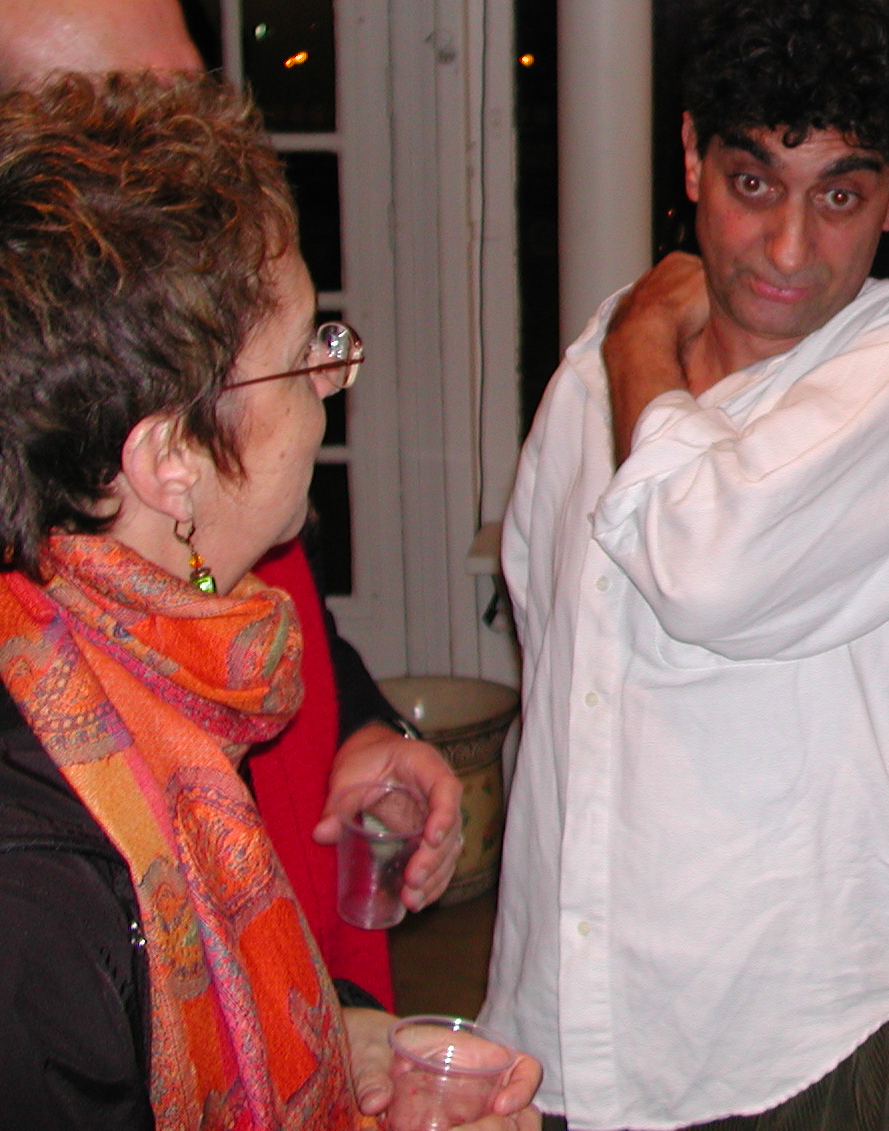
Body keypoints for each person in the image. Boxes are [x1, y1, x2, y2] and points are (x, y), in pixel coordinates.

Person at [482, 0, 889, 1129]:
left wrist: (643, 342)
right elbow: (556, 665)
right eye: (750, 183)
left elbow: (706, 569)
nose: (785, 248)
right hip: (568, 1029)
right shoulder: (587, 378)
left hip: (796, 1033)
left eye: (839, 196)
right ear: (690, 157)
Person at [0, 71, 540, 1129]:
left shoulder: (149, 669)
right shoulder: (38, 880)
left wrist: (340, 1031)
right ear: (171, 462)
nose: (332, 380)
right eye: (301, 360)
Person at [0, 0, 462, 1006]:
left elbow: (258, 603)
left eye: (191, 95)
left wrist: (360, 729)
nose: (200, 152)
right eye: (121, 120)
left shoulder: (185, 428)